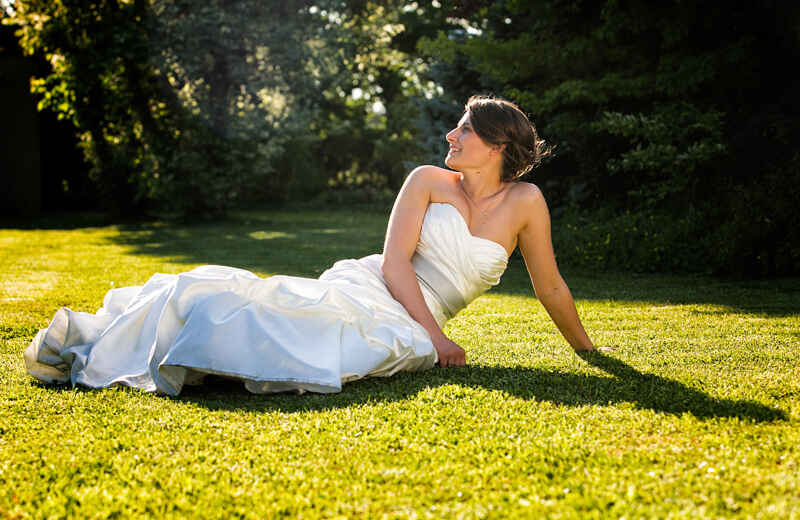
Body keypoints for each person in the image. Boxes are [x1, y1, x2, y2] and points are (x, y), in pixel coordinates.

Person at [24, 95, 604, 396]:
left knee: (367, 349)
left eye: (465, 130)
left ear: (498, 146)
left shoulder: (525, 203)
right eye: (455, 127)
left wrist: (588, 352)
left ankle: (210, 338)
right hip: (379, 284)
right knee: (327, 321)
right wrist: (435, 336)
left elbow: (549, 284)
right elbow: (397, 262)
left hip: (420, 313)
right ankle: (195, 321)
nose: (450, 135)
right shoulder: (428, 180)